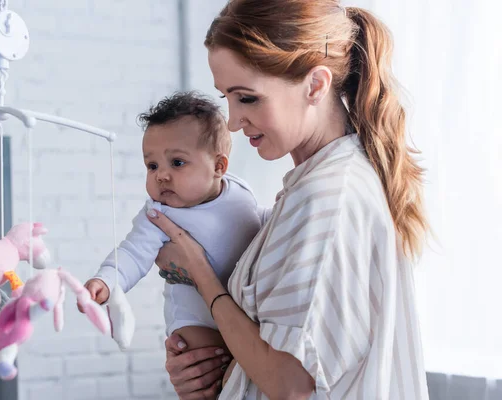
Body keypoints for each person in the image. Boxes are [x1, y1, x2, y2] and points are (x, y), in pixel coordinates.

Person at [148, 1, 430, 399]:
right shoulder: (311, 186)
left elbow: (292, 385)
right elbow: (282, 354)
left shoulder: (328, 198)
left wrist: (200, 271)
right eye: (226, 97)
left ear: (315, 85)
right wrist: (210, 369)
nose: (231, 120)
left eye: (247, 98)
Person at [79, 91, 270, 353]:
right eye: (152, 165)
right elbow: (132, 254)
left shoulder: (238, 190)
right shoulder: (159, 215)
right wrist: (106, 281)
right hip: (197, 319)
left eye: (177, 162)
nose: (161, 175)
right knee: (199, 354)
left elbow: (258, 220)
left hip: (247, 307)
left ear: (219, 167)